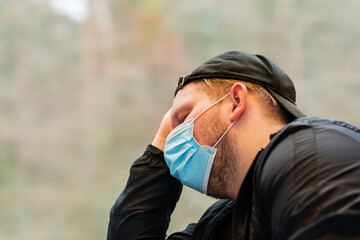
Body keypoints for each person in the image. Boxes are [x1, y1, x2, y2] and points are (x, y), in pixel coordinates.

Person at [107, 51, 360, 240]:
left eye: (183, 118)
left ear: (236, 101)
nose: (173, 139)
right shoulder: (224, 221)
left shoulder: (310, 152)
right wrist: (161, 145)